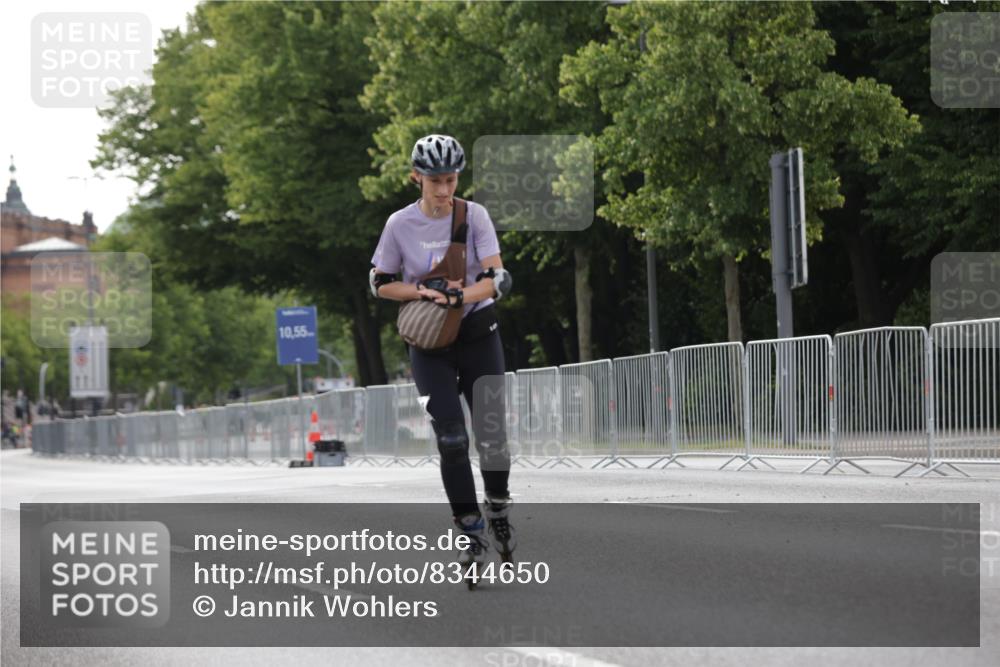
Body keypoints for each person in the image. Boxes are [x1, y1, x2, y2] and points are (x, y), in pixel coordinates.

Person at [369, 134, 516, 572]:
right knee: (451, 439)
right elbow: (380, 283)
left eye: (450, 179)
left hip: (478, 332)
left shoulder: (474, 216)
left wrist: (458, 296)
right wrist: (422, 290)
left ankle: (498, 505)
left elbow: (497, 280)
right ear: (416, 177)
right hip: (429, 343)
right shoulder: (399, 224)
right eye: (435, 181)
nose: (444, 189)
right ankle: (470, 529)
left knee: (492, 437)